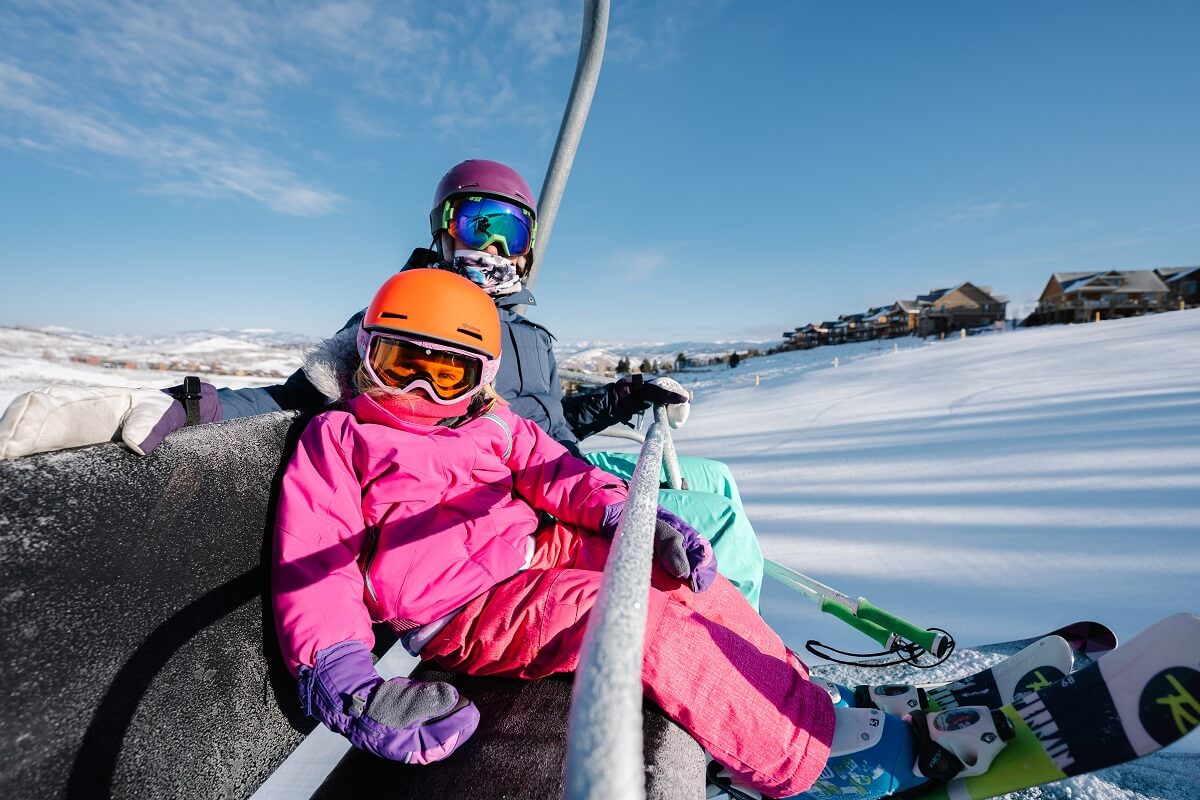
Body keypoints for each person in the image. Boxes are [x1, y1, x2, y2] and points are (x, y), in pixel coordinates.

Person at [274, 268, 951, 799]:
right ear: (367, 357)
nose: (420, 387)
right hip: (465, 609)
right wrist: (344, 681)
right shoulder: (341, 438)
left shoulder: (494, 424)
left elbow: (558, 472)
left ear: (478, 379)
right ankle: (804, 767)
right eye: (401, 362)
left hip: (537, 553)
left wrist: (630, 518)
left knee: (678, 579)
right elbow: (315, 566)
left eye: (445, 371)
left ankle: (803, 705)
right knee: (639, 621)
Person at [0, 159, 765, 608]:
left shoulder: (530, 333)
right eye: (476, 226)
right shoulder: (414, 318)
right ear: (443, 229)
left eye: (513, 231)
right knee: (720, 528)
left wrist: (628, 401)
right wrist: (191, 404)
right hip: (511, 496)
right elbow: (304, 396)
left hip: (563, 469)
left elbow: (552, 421)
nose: (494, 246)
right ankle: (732, 710)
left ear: (530, 249)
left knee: (718, 484)